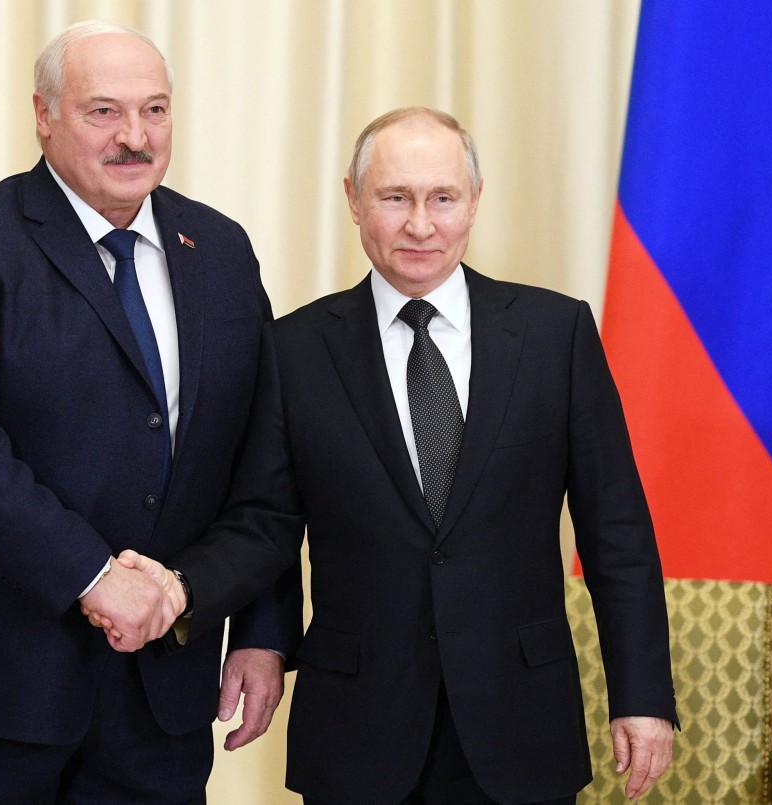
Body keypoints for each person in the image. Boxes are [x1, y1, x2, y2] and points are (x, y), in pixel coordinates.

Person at [99, 107, 678, 804]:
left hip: (520, 725)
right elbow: (266, 524)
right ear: (353, 199)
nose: (421, 225)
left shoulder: (557, 335)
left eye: (442, 198)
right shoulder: (293, 351)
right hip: (357, 734)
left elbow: (617, 530)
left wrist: (642, 696)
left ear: (474, 201)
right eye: (395, 197)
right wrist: (198, 598)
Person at [0, 20, 301, 804]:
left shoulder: (224, 252)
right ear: (44, 114)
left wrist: (259, 627)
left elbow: (260, 465)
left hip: (160, 695)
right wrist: (96, 576)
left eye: (156, 110)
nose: (134, 136)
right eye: (104, 111)